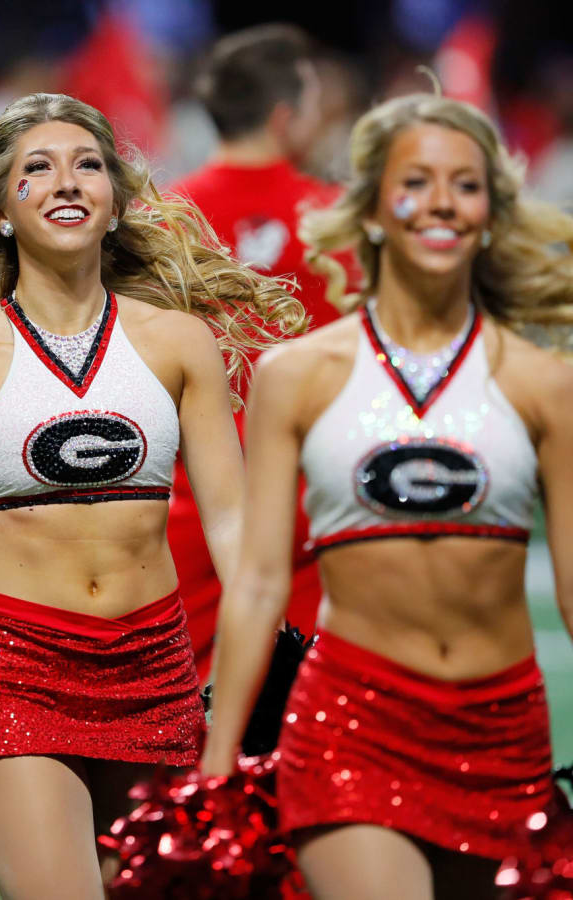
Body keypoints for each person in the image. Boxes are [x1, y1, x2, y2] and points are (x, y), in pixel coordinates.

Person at [0, 92, 302, 899]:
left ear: (115, 201)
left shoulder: (177, 342)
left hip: (157, 671)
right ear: (3, 212)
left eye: (87, 166)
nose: (65, 182)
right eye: (36, 170)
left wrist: (274, 658)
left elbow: (232, 522)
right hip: (13, 674)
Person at [201, 92, 573, 899]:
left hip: (504, 733)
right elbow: (261, 579)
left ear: (491, 212)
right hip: (352, 725)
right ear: (369, 207)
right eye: (416, 181)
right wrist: (219, 761)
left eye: (466, 185)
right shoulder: (297, 375)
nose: (442, 202)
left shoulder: (544, 384)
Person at [166, 23, 354, 680]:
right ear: (285, 115)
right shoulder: (338, 223)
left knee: (174, 717)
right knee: (302, 705)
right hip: (309, 502)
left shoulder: (160, 224)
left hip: (184, 503)